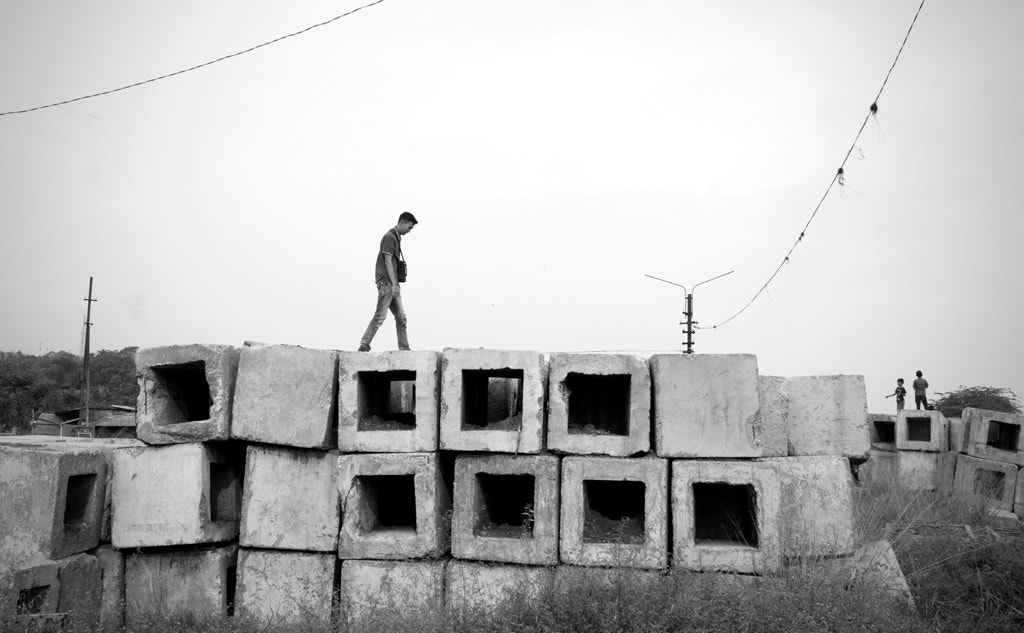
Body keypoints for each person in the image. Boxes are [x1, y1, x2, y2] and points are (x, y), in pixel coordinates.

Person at [357, 212, 418, 352]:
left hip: (391, 283)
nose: (409, 231)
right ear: (402, 222)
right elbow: (388, 261)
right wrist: (395, 284)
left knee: (401, 317)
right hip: (387, 283)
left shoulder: (396, 238)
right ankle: (364, 345)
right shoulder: (390, 237)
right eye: (409, 227)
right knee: (380, 315)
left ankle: (404, 348)